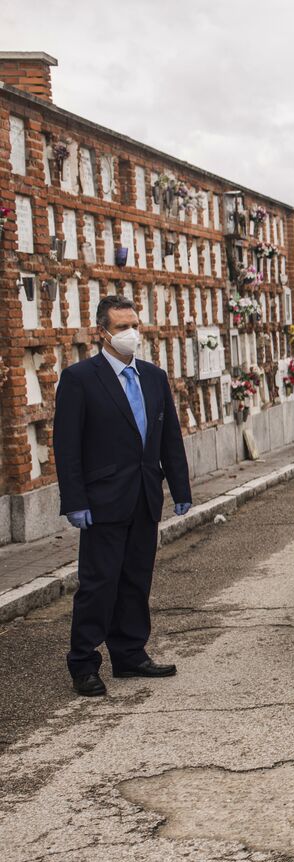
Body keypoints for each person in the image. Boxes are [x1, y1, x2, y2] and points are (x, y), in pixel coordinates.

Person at [53, 295, 192, 697]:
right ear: (102, 332)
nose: (131, 333)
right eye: (121, 326)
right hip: (102, 501)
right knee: (99, 584)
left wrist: (180, 489)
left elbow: (169, 438)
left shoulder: (153, 376)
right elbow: (67, 445)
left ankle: (130, 654)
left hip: (145, 496)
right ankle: (83, 663)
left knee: (136, 580)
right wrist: (75, 501)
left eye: (135, 324)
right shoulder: (80, 378)